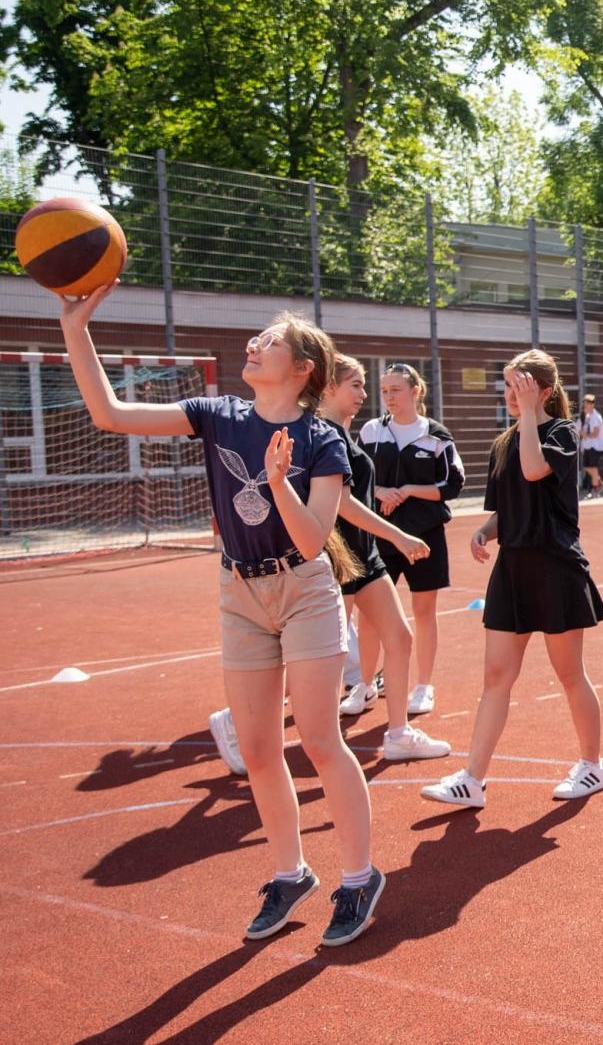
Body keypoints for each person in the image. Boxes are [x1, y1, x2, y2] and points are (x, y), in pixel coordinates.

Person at [56, 288, 384, 946]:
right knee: (259, 748)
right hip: (240, 591)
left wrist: (281, 482)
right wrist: (73, 326)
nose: (254, 345)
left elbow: (316, 539)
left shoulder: (323, 440)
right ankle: (289, 874)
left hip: (304, 590)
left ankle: (358, 877)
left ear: (302, 369)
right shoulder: (217, 414)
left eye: (269, 341)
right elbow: (110, 412)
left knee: (319, 739)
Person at [209, 356, 453, 773]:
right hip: (334, 555)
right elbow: (343, 503)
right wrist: (397, 534)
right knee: (312, 657)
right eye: (355, 385)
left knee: (399, 637)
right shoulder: (320, 435)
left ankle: (397, 735)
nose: (364, 394)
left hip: (364, 556)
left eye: (364, 386)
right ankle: (237, 720)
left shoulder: (342, 433)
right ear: (328, 390)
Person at [421, 350, 603, 809]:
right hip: (513, 568)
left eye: (519, 388)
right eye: (506, 387)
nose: (509, 395)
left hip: (555, 565)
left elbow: (534, 469)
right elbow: (507, 508)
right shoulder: (503, 442)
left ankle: (593, 765)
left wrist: (529, 415)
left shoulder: (563, 432)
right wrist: (486, 530)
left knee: (569, 674)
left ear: (544, 392)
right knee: (496, 676)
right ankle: (473, 778)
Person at [360, 364, 465, 717]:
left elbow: (452, 486)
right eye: (384, 390)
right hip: (381, 535)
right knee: (372, 614)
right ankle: (364, 685)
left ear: (416, 391)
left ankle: (423, 686)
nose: (389, 397)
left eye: (396, 390)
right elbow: (351, 481)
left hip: (425, 537)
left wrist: (406, 491)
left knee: (423, 611)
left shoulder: (437, 436)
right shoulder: (372, 431)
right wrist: (380, 491)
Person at [580, 394, 603, 498]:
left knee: (593, 468)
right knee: (587, 468)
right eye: (585, 404)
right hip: (588, 447)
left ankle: (595, 489)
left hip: (596, 447)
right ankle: (599, 483)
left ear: (592, 405)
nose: (585, 406)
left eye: (587, 404)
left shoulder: (596, 417)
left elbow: (595, 433)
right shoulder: (587, 416)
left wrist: (585, 435)